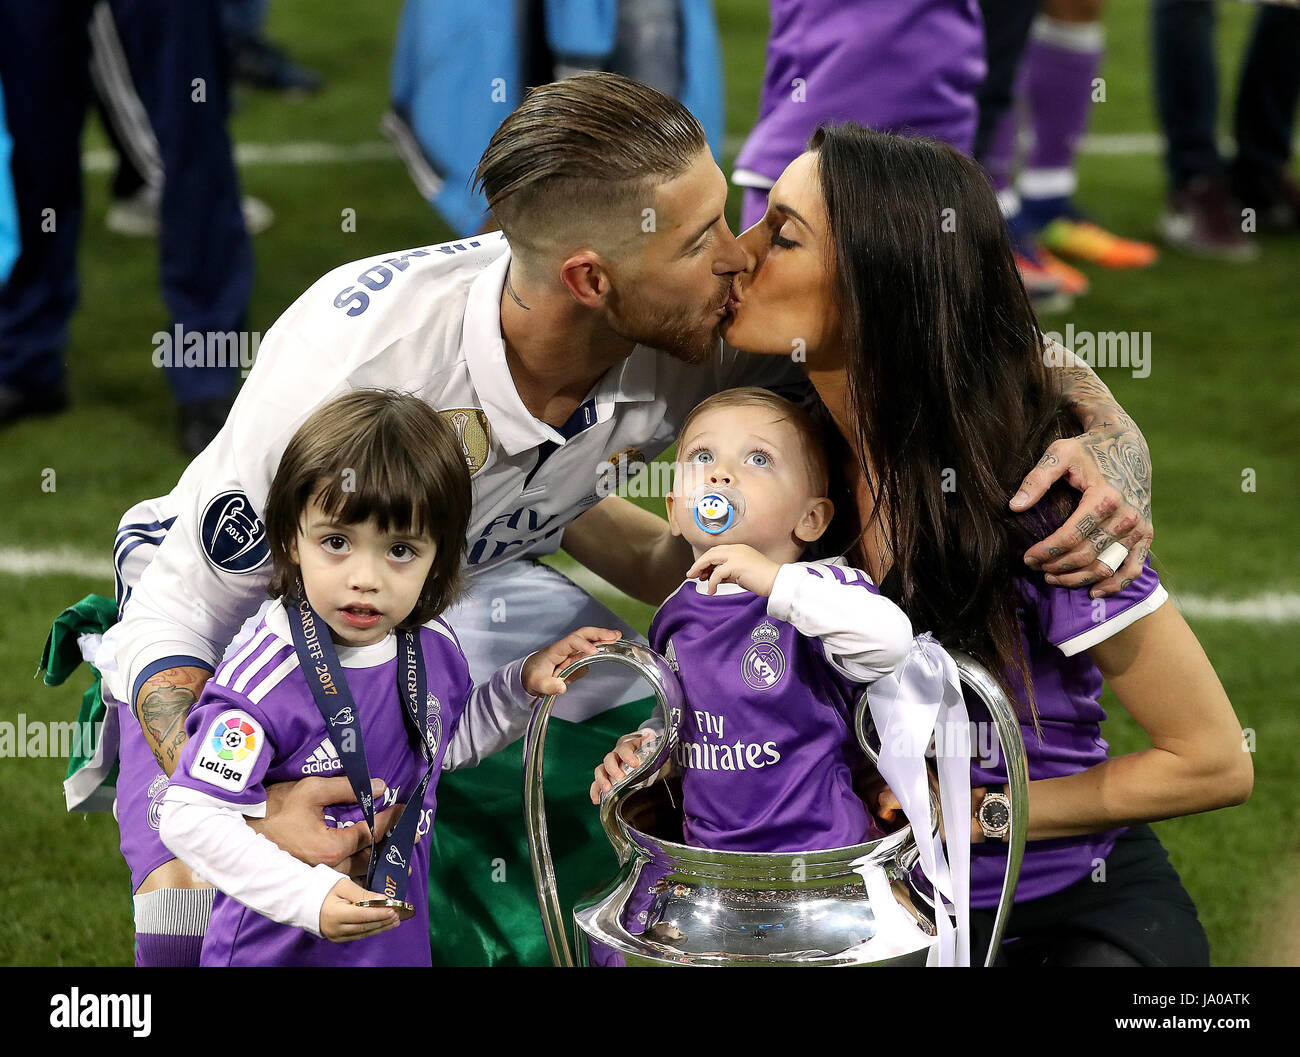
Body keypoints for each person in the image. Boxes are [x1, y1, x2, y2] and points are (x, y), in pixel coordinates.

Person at [87, 75, 1155, 967]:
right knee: (202, 887)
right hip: (251, 610)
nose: (738, 256)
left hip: (464, 589)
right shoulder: (353, 363)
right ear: (593, 279)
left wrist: (1111, 438)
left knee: (665, 762)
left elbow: (928, 330)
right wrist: (240, 800)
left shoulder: (690, 315)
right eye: (702, 240)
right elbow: (183, 606)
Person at [712, 122, 1252, 965]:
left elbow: (1213, 759)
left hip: (1063, 905)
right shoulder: (777, 437)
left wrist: (979, 812)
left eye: (781, 234)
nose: (739, 252)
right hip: (876, 906)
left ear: (879, 285)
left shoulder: (1041, 491)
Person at [158, 388, 620, 965]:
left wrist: (519, 686)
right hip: (275, 952)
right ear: (289, 540)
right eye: (336, 543)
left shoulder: (430, 646)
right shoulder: (264, 678)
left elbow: (439, 747)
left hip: (392, 946)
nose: (365, 578)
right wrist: (310, 897)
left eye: (400, 549)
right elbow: (191, 815)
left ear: (440, 560)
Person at [589, 388, 913, 854]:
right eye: (702, 454)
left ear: (811, 519)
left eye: (759, 459)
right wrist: (648, 747)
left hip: (823, 859)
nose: (720, 473)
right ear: (674, 511)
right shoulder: (675, 612)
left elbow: (891, 641)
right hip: (713, 862)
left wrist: (776, 582)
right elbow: (682, 713)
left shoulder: (822, 589)